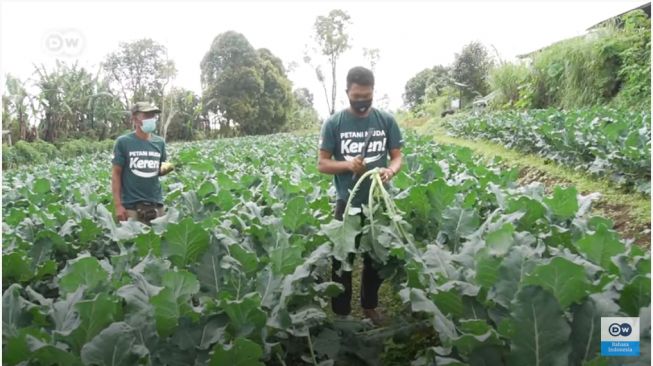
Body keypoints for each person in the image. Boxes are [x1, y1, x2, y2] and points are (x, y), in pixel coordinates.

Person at [317, 66, 403, 325]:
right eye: (357, 96)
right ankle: (342, 312)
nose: (362, 101)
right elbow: (322, 164)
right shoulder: (334, 123)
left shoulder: (386, 121)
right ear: (347, 93)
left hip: (377, 202)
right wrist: (347, 165)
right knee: (342, 259)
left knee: (375, 257)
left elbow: (397, 156)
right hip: (348, 201)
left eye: (367, 96)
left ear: (373, 92)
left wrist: (390, 169)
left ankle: (370, 306)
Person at [111, 101, 173, 225]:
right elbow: (116, 174)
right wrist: (118, 205)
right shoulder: (123, 142)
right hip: (132, 206)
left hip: (156, 204)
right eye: (147, 115)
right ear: (134, 119)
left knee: (158, 242)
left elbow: (159, 170)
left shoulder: (160, 142)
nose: (151, 119)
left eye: (153, 115)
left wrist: (168, 167)